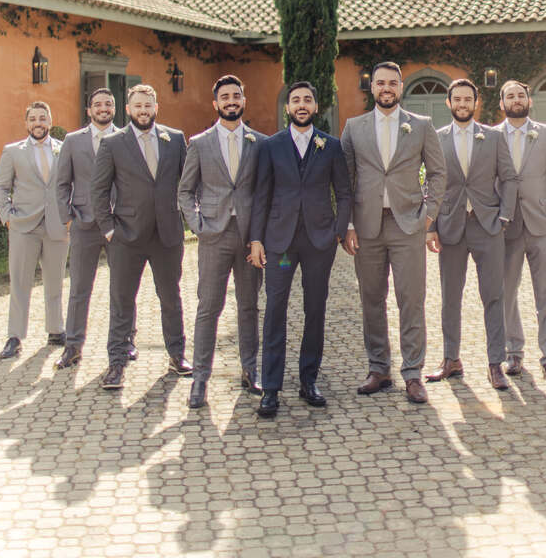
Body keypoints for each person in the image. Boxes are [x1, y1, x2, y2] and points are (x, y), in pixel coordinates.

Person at [341, 61, 446, 404]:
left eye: (392, 83)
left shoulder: (421, 125)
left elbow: (437, 173)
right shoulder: (354, 127)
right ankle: (378, 368)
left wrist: (429, 215)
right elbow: (345, 179)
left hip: (408, 224)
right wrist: (349, 224)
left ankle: (413, 373)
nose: (386, 88)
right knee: (372, 299)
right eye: (380, 82)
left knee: (411, 299)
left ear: (401, 87)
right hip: (367, 226)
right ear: (372, 87)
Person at [249, 81, 351, 418]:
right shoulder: (271, 146)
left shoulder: (331, 146)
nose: (302, 105)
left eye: (308, 99)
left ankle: (309, 381)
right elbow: (261, 195)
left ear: (316, 107)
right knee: (275, 309)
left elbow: (344, 192)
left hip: (319, 243)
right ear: (288, 107)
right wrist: (256, 239)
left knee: (315, 309)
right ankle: (271, 388)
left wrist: (338, 231)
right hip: (280, 245)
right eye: (296, 100)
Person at [91, 84, 191, 389]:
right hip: (126, 236)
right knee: (122, 301)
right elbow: (98, 190)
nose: (143, 111)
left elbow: (188, 182)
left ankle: (177, 355)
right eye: (138, 106)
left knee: (171, 298)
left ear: (156, 108)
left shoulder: (175, 139)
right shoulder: (113, 143)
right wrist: (109, 229)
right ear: (128, 109)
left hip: (167, 235)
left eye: (148, 106)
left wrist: (188, 219)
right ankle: (116, 364)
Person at [179, 74, 267, 408]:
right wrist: (198, 226)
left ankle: (250, 370)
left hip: (249, 238)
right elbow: (185, 191)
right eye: (225, 97)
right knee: (208, 308)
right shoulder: (199, 143)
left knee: (249, 306)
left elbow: (265, 192)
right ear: (215, 103)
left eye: (236, 96)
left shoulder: (260, 143)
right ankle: (200, 379)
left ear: (244, 100)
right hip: (213, 236)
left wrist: (260, 236)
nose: (231, 101)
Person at [426, 79, 516, 390]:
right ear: (448, 103)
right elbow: (430, 182)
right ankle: (451, 359)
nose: (463, 104)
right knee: (450, 297)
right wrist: (431, 226)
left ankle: (495, 364)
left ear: (476, 103)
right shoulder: (435, 138)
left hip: (487, 225)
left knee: (493, 295)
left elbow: (509, 178)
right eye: (458, 99)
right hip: (450, 226)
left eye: (468, 99)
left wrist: (504, 216)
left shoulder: (493, 137)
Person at [54, 87, 137, 369]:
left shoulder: (127, 138)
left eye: (109, 104)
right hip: (84, 223)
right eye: (98, 104)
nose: (103, 108)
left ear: (115, 108)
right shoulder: (72, 141)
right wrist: (68, 217)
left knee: (123, 287)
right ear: (89, 110)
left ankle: (126, 341)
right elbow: (61, 183)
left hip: (119, 223)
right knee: (79, 288)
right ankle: (73, 346)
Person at [498, 80, 546, 384]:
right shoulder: (491, 136)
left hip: (543, 225)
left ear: (529, 100)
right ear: (501, 103)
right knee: (505, 293)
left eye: (521, 95)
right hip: (506, 227)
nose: (516, 99)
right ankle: (513, 352)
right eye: (510, 96)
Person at [0, 101, 69, 359]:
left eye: (43, 118)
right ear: (27, 123)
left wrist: (69, 215)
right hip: (23, 226)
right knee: (20, 282)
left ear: (50, 121)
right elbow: (0, 187)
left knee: (55, 280)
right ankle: (14, 337)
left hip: (57, 226)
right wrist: (7, 217)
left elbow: (71, 183)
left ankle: (56, 330)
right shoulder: (13, 152)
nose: (38, 123)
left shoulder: (63, 149)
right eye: (33, 119)